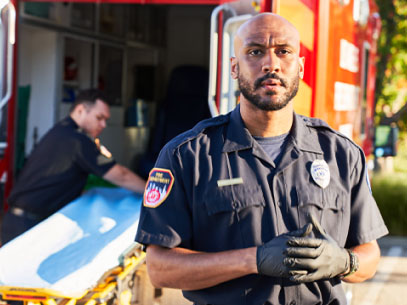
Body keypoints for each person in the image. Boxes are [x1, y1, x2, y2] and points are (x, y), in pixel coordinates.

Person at [135, 13, 388, 305]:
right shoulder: (186, 156)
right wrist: (252, 260)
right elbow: (160, 268)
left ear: (301, 67)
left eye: (284, 51)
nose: (271, 63)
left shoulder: (342, 154)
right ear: (233, 68)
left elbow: (370, 255)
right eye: (255, 52)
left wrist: (344, 262)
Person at [1, 89, 146, 245]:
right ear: (80, 110)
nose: (103, 125)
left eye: (106, 120)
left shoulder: (61, 131)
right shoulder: (79, 141)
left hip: (18, 221)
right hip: (28, 226)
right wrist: (152, 192)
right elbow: (121, 176)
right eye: (99, 118)